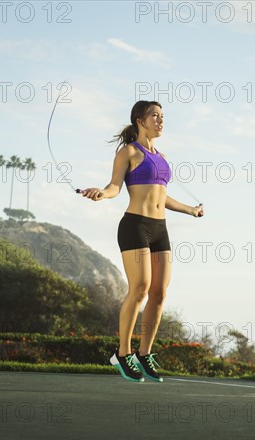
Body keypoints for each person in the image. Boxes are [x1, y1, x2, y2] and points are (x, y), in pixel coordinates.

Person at [80, 100, 204, 382]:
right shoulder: (129, 152)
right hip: (135, 226)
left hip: (160, 229)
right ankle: (122, 354)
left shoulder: (161, 157)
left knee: (159, 293)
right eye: (155, 116)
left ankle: (144, 353)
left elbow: (162, 196)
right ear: (140, 120)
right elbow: (114, 186)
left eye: (162, 116)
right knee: (140, 289)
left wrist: (190, 209)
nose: (161, 121)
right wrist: (101, 192)